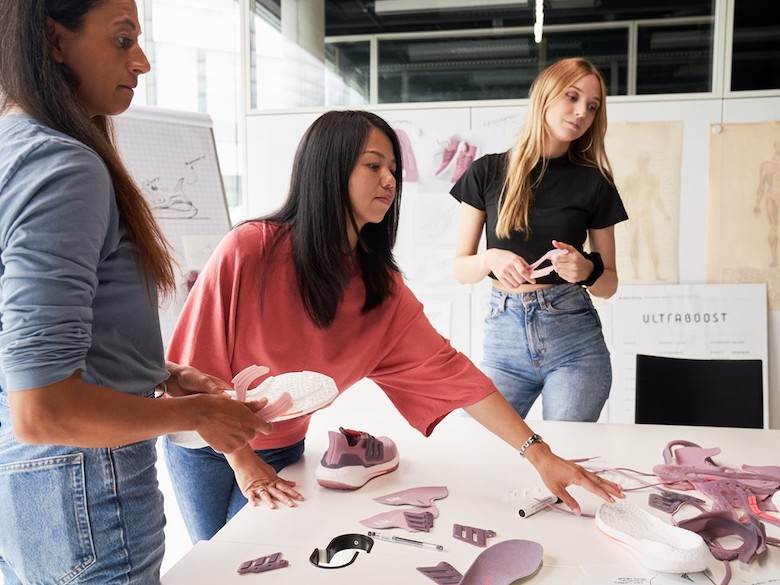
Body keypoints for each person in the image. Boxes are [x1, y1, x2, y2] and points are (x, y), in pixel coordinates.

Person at [164, 109, 624, 543]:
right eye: (373, 166)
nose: (389, 181)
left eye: (394, 170)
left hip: (281, 446)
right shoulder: (250, 250)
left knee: (258, 555)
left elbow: (455, 374)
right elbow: (191, 365)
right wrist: (242, 461)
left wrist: (541, 456)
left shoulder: (381, 288)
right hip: (202, 443)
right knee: (214, 554)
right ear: (329, 169)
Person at [0, 2, 271, 583]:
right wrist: (198, 415)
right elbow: (43, 410)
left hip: (26, 485)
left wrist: (159, 371)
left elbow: (29, 352)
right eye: (122, 40)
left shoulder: (12, 148)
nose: (141, 62)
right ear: (52, 40)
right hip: (82, 486)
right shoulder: (61, 165)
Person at [451, 57, 628, 423]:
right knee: (480, 450)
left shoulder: (595, 182)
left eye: (592, 107)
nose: (581, 113)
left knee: (563, 457)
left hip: (574, 346)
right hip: (504, 342)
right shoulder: (487, 171)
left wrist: (586, 268)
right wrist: (490, 259)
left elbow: (608, 284)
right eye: (572, 97)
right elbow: (460, 268)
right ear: (545, 97)